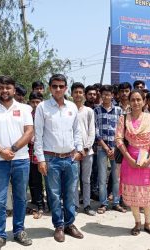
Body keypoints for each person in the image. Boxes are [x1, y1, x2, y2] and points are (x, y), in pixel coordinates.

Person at [0, 75, 34, 249]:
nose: (4, 91)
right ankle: (0, 235)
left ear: (14, 89)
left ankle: (19, 231)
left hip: (21, 160)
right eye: (1, 87)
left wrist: (12, 148)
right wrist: (0, 151)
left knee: (20, 198)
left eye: (8, 87)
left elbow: (29, 132)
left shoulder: (24, 108)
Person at [34, 74, 84, 242]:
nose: (58, 89)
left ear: (65, 88)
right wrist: (40, 159)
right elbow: (38, 135)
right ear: (50, 88)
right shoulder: (43, 107)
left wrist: (78, 151)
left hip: (70, 158)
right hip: (51, 158)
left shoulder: (72, 107)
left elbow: (77, 131)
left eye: (61, 86)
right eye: (54, 86)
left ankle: (70, 224)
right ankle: (59, 226)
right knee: (54, 194)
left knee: (70, 192)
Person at [115, 90, 150, 236]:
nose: (136, 103)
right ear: (129, 101)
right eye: (133, 100)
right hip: (129, 160)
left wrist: (149, 160)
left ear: (144, 102)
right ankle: (137, 223)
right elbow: (118, 139)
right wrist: (129, 158)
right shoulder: (123, 119)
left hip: (147, 161)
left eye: (139, 100)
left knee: (147, 194)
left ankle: (148, 223)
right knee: (132, 194)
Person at [93, 85, 126, 214]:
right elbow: (96, 131)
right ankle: (103, 203)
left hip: (116, 148)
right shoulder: (96, 111)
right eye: (104, 94)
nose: (106, 96)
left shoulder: (118, 110)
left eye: (109, 94)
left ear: (113, 95)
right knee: (102, 177)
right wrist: (106, 147)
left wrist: (114, 147)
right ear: (101, 96)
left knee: (117, 177)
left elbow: (121, 130)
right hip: (102, 148)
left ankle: (116, 202)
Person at [71, 83, 96, 216]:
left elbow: (92, 131)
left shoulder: (89, 111)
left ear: (84, 95)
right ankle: (74, 205)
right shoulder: (67, 110)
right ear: (71, 94)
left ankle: (87, 205)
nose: (78, 95)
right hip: (73, 152)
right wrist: (75, 150)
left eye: (81, 92)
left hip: (87, 151)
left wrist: (86, 148)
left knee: (86, 179)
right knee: (74, 180)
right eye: (76, 92)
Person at [27, 92, 46, 218]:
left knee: (48, 180)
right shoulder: (27, 116)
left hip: (45, 152)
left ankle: (47, 203)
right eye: (33, 102)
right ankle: (38, 204)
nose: (35, 104)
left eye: (37, 102)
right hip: (30, 152)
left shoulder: (46, 115)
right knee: (34, 180)